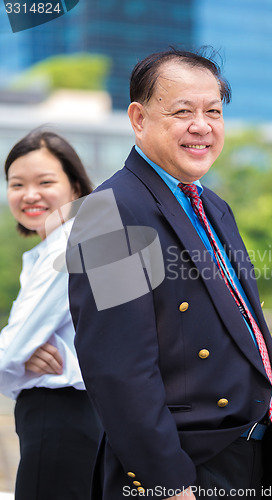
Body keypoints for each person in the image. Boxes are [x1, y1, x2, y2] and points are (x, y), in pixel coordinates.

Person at [67, 49, 272, 499]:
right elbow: (119, 372)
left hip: (252, 457)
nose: (202, 126)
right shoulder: (109, 212)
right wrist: (169, 485)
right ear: (138, 118)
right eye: (182, 112)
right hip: (183, 469)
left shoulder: (213, 206)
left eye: (213, 111)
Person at [0, 130, 101, 500]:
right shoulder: (64, 244)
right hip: (82, 416)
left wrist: (19, 354)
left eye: (45, 182)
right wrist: (20, 351)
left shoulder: (70, 244)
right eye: (16, 184)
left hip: (60, 416)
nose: (29, 195)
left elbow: (13, 346)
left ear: (75, 188)